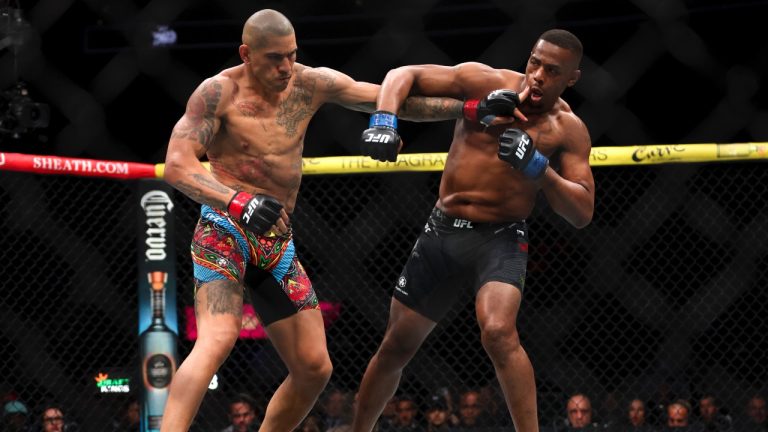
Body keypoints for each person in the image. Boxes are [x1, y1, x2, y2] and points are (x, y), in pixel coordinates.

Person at [161, 8, 484, 432]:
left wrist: (471, 108)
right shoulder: (216, 93)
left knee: (314, 367)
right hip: (224, 229)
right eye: (274, 58)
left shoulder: (309, 83)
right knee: (217, 339)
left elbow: (386, 97)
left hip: (276, 240)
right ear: (246, 54)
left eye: (291, 55)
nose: (285, 67)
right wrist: (236, 201)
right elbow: (177, 165)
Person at [352, 28, 594, 432]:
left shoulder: (567, 129)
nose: (536, 76)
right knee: (395, 346)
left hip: (499, 237)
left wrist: (538, 168)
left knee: (499, 332)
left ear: (572, 78)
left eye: (552, 71)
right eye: (534, 62)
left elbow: (582, 210)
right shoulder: (487, 82)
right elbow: (402, 74)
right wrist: (384, 120)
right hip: (443, 229)